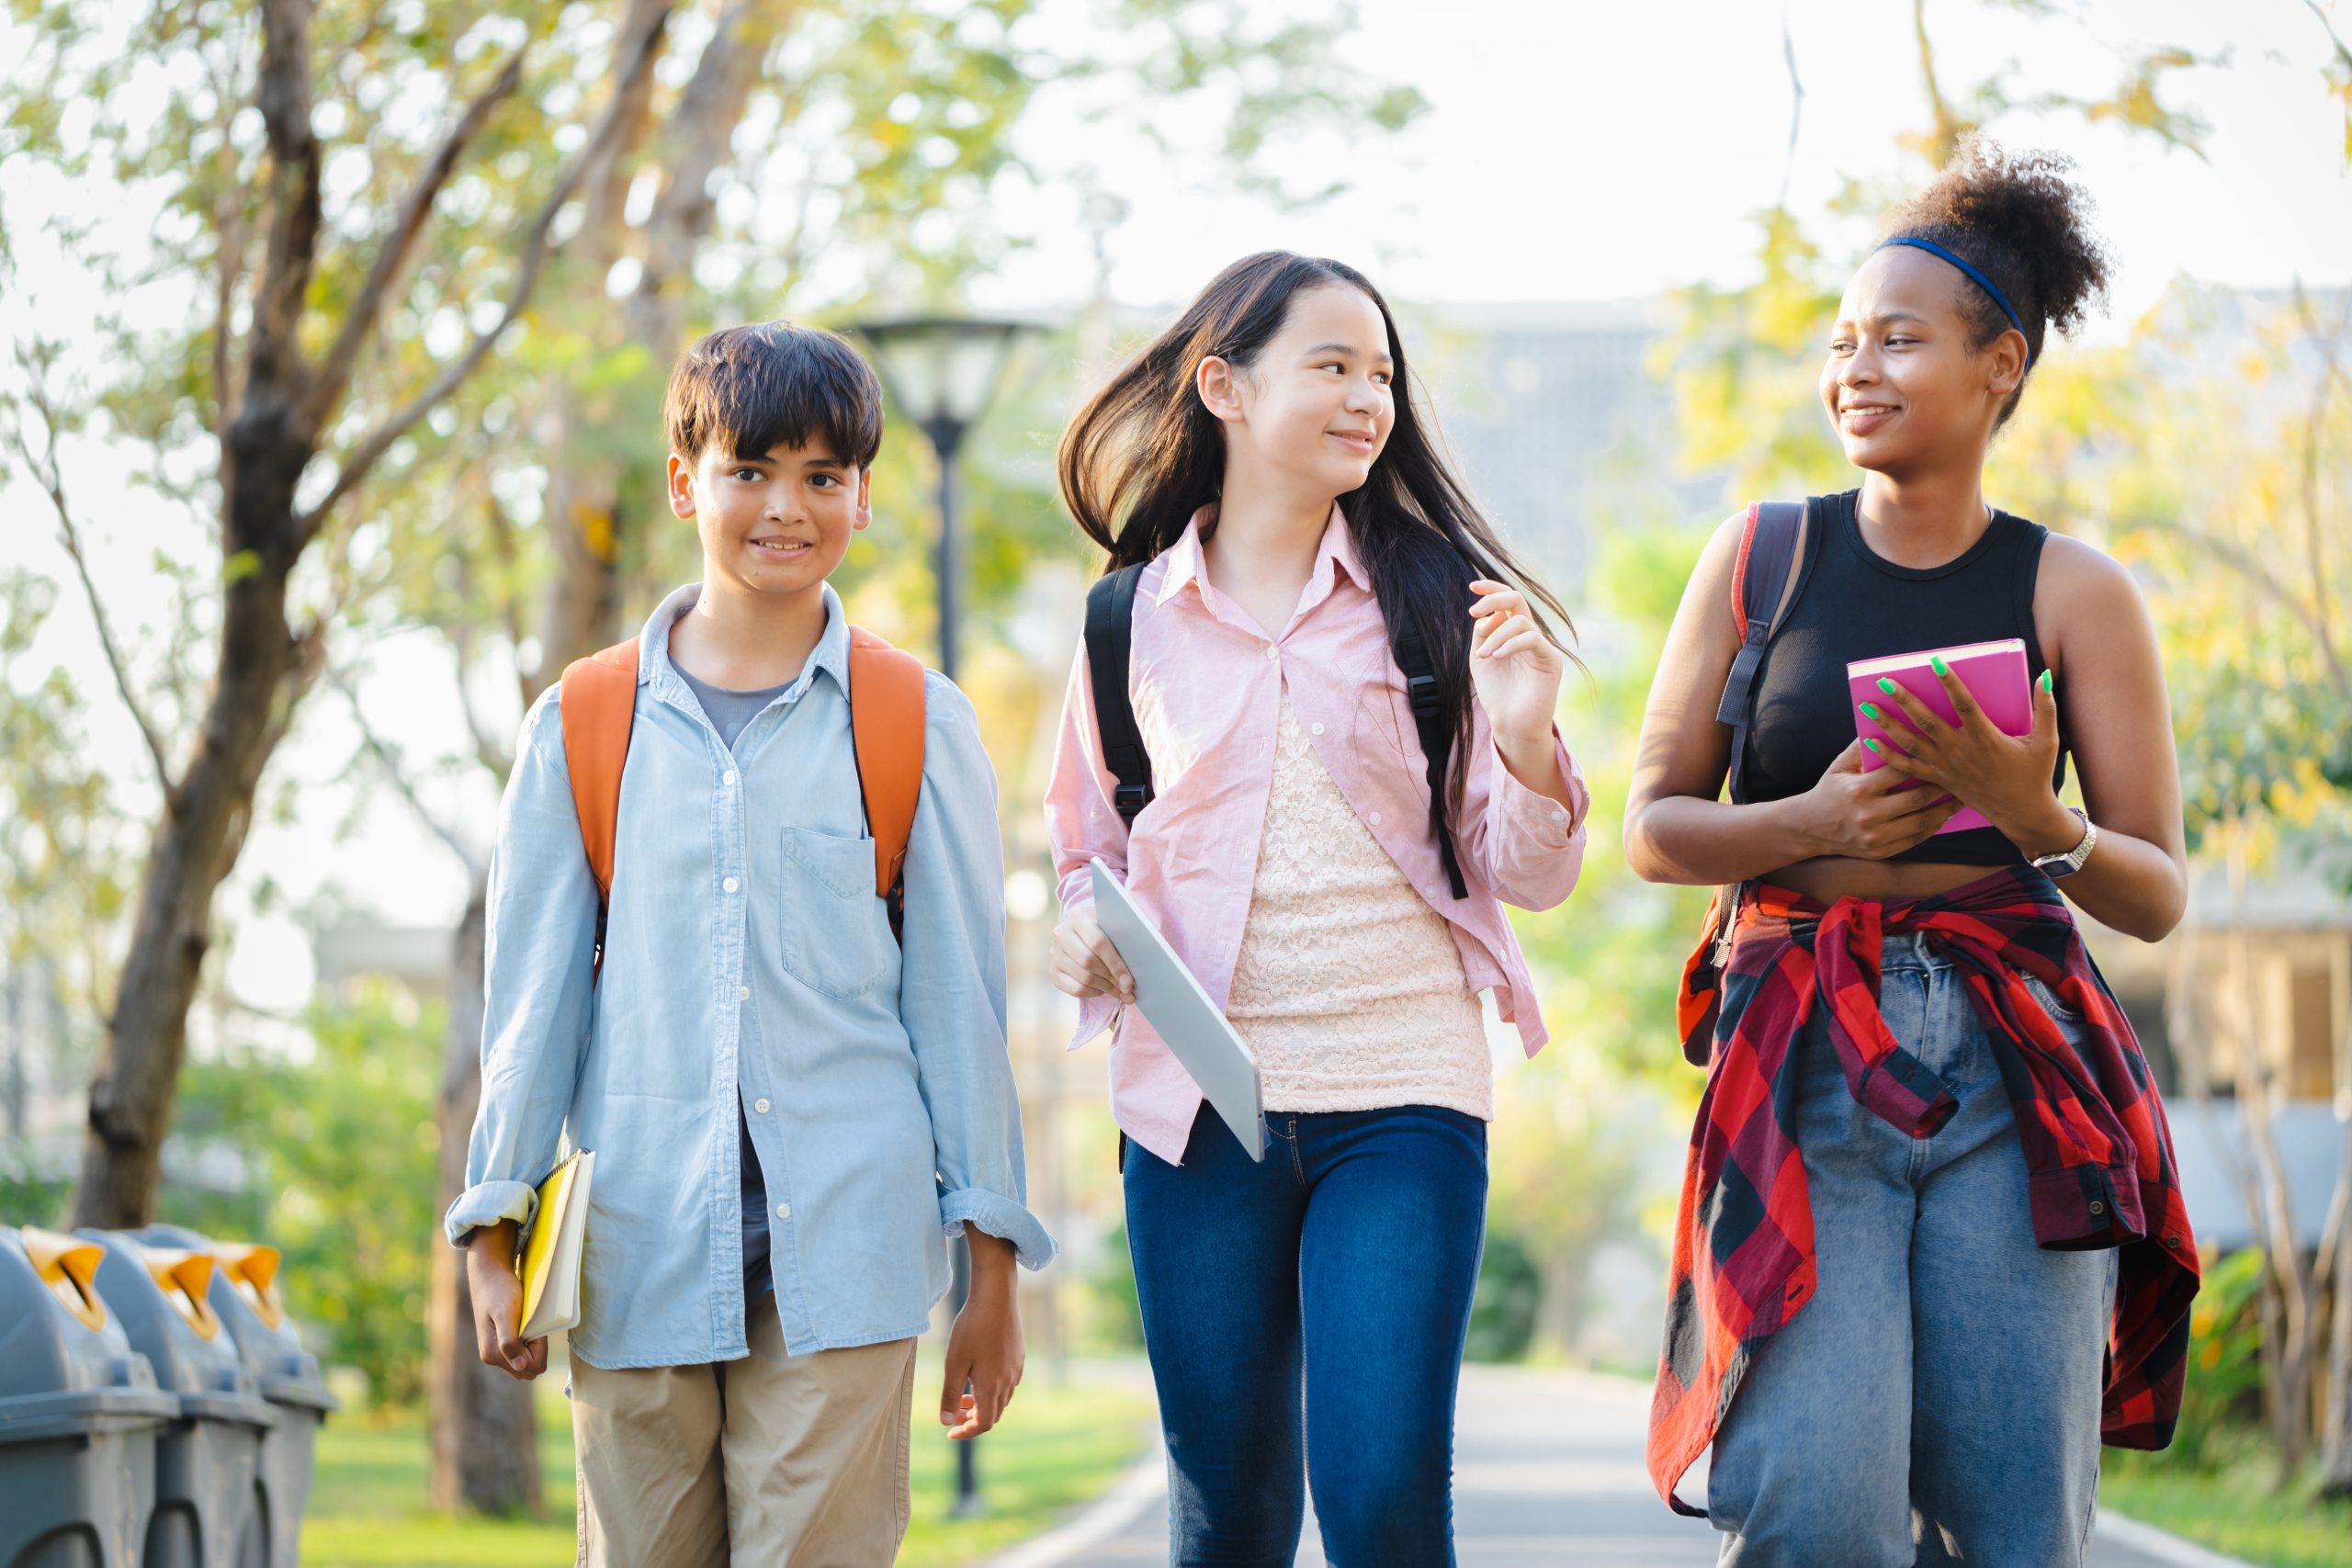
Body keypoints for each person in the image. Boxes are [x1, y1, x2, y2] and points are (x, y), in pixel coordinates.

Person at [1625, 142, 2199, 1565]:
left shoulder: (2075, 590)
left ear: (2001, 366)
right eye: (1842, 343)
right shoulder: (1761, 556)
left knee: (2014, 1524)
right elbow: (1653, 823)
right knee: (1812, 1505)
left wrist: (2035, 811)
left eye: (1899, 338)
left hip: (2020, 1077)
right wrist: (1806, 828)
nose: (1855, 370)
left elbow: (2156, 890)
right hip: (1807, 1052)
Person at [445, 321, 1053, 1565]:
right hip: (640, 1251)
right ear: (686, 483)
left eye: (824, 477)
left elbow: (960, 1008)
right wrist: (491, 1223)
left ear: (864, 498)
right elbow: (535, 1005)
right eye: (751, 471)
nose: (788, 507)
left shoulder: (915, 720)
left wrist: (991, 1259)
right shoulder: (583, 721)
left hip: (851, 1252)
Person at [1044, 250, 1590, 1565]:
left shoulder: (1434, 603)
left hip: (1403, 1092)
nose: (1369, 398)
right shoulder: (1126, 621)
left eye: (1382, 373)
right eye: (1334, 366)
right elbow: (1087, 850)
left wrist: (1525, 739)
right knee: (1225, 1516)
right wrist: (1084, 937)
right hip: (1199, 1103)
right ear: (1224, 387)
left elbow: (1528, 874)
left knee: (1384, 1501)